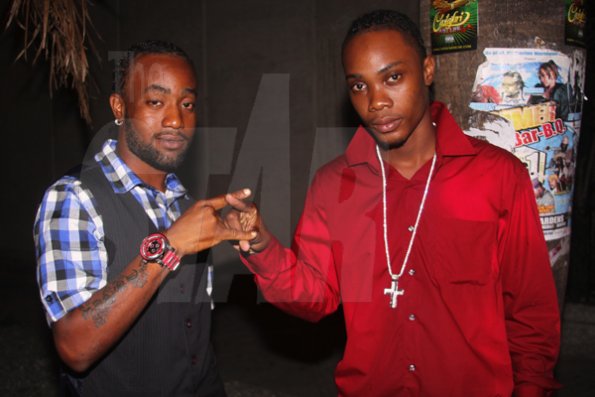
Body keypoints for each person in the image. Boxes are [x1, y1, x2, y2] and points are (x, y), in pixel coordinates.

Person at [225, 10, 560, 397]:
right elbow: (315, 298)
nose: (376, 101)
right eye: (358, 86)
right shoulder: (334, 185)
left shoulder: (497, 176)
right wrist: (264, 247)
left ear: (428, 70)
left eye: (393, 77)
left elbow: (531, 313)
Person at [33, 40, 256, 396]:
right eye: (156, 102)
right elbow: (74, 348)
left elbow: (192, 330)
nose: (176, 120)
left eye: (188, 104)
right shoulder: (75, 198)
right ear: (119, 107)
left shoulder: (185, 203)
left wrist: (252, 241)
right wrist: (170, 246)